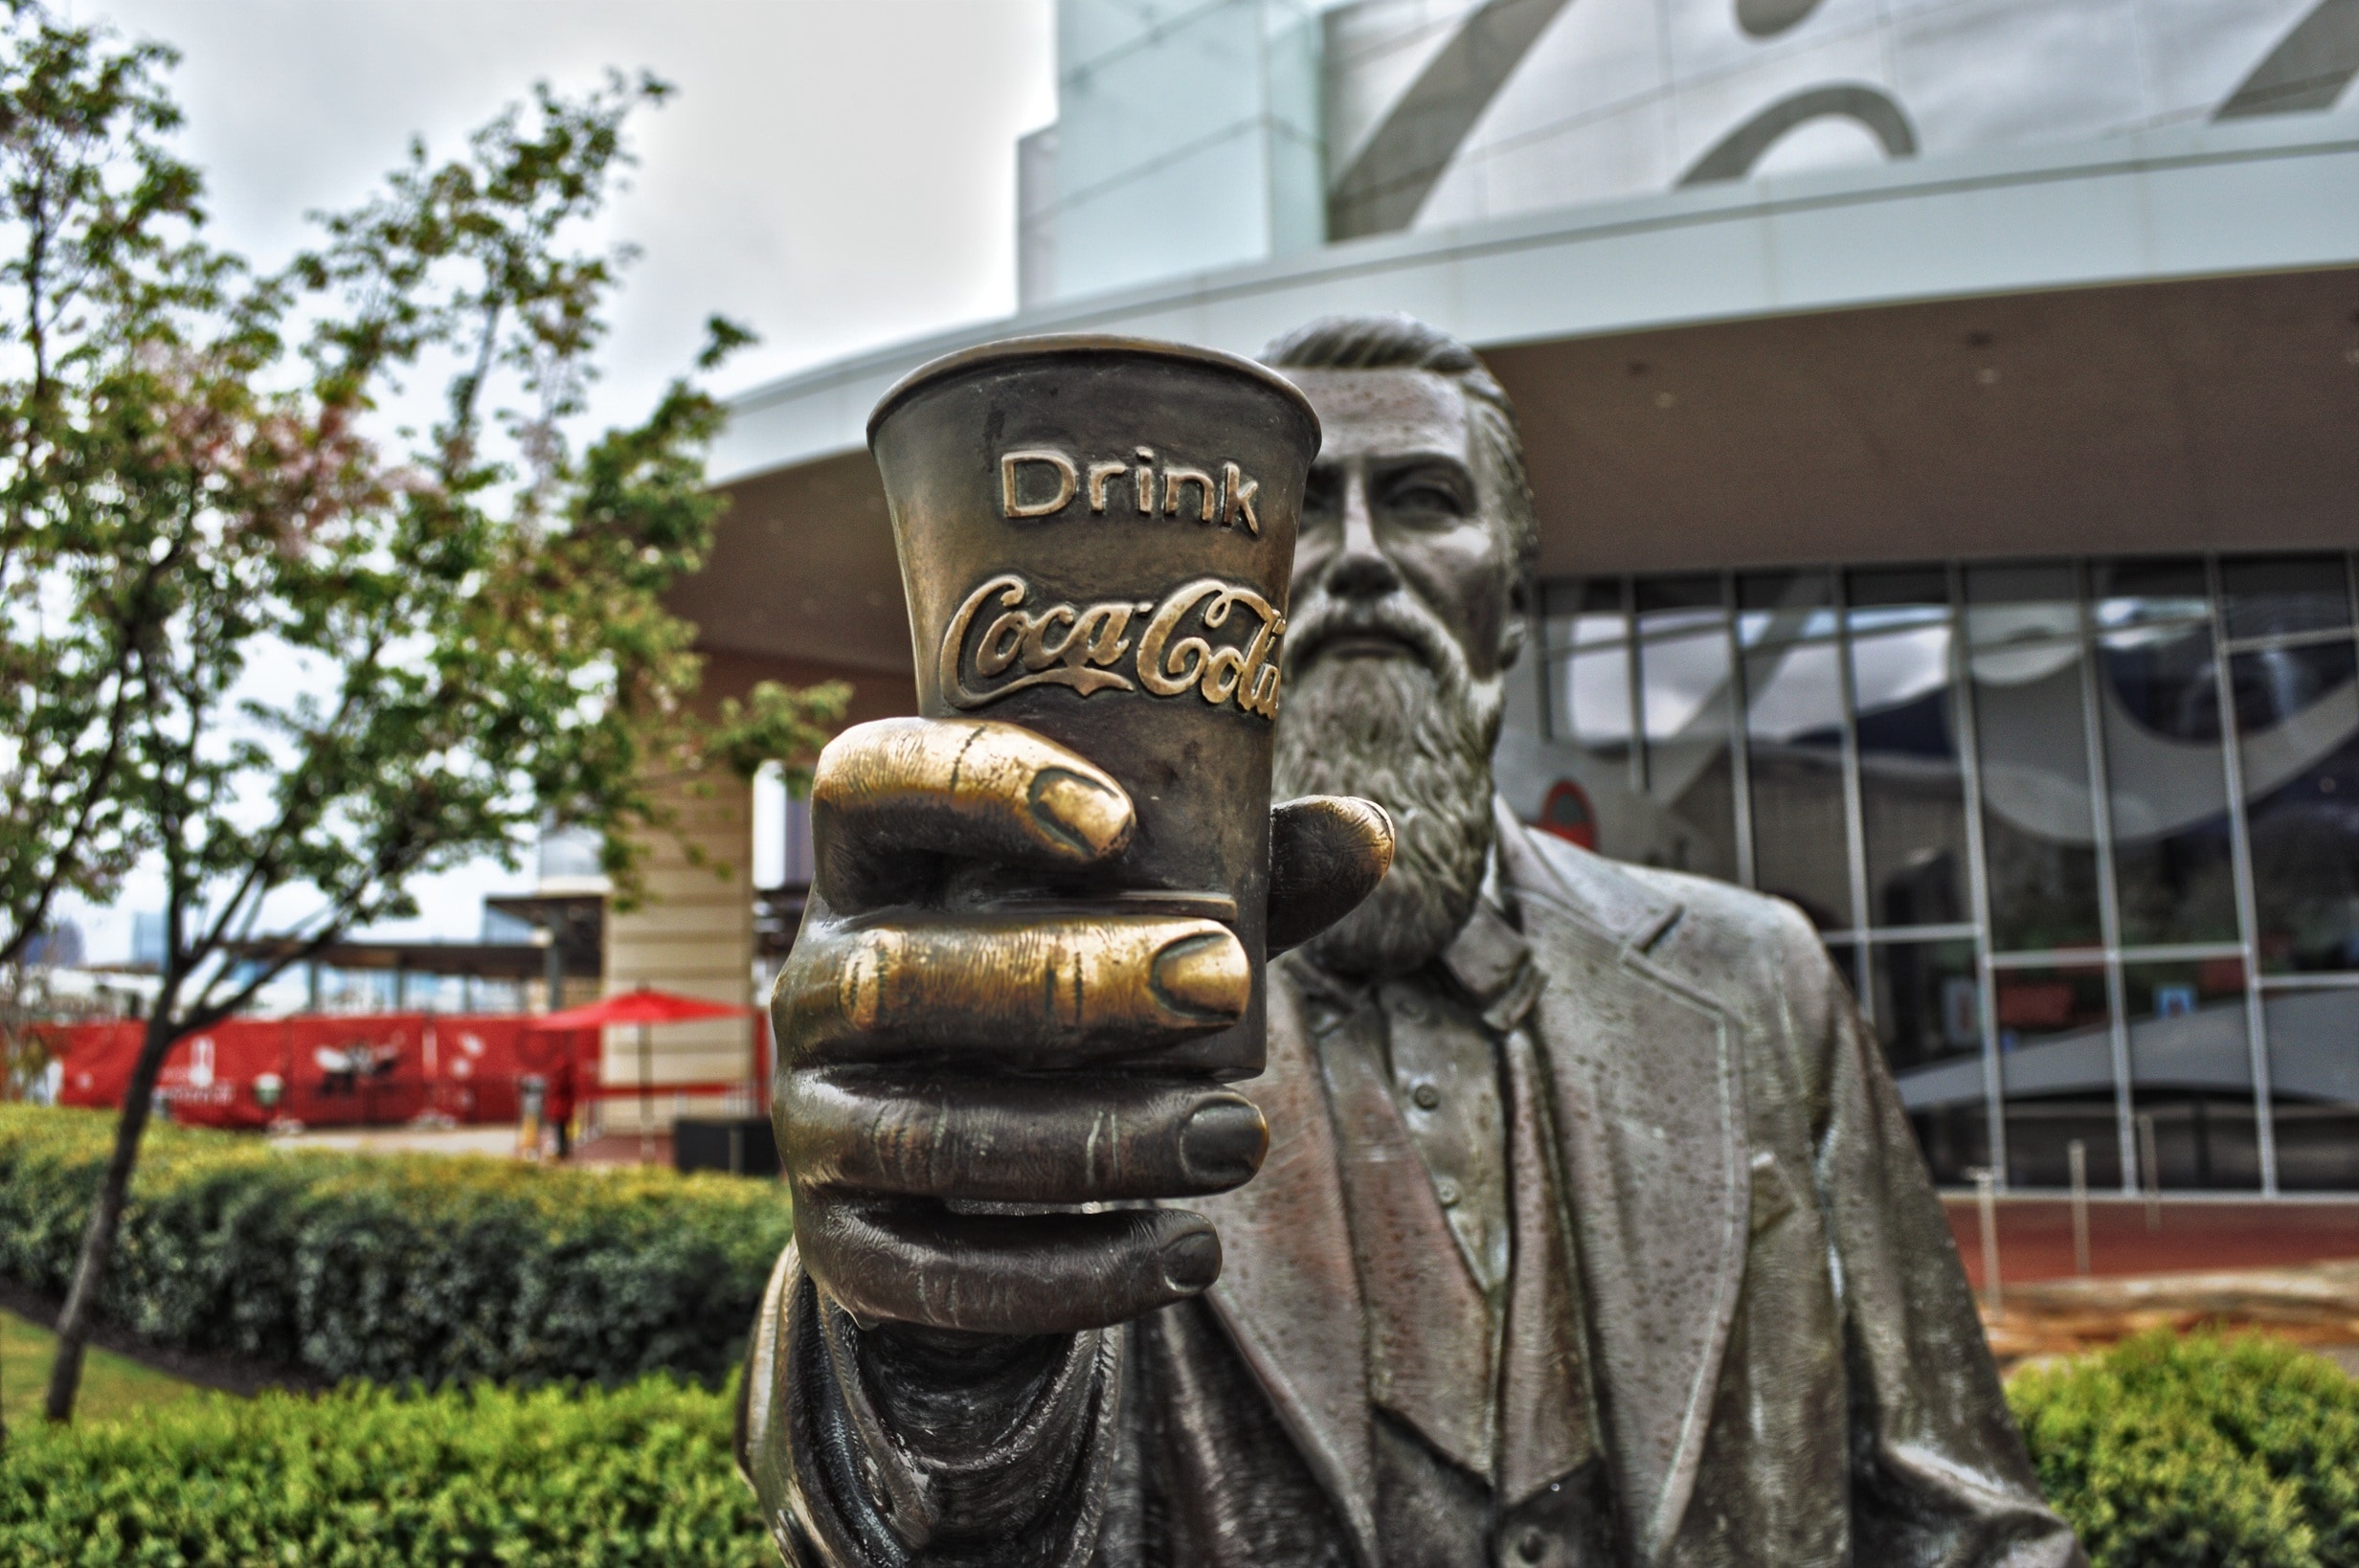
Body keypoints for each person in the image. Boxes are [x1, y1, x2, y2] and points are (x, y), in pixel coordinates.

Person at [739, 314, 2082, 1567]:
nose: (1362, 556)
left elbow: (1967, 1521)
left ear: (1513, 602)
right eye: (1300, 509)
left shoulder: (1758, 977)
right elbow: (930, 1525)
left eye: (1426, 499)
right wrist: (928, 1317)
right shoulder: (1074, 1022)